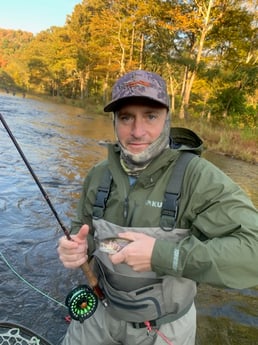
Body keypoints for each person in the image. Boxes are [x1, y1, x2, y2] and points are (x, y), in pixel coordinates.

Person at [58, 70, 258, 345]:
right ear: (114, 121)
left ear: (167, 119)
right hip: (99, 314)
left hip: (165, 328)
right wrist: (76, 247)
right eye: (126, 117)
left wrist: (164, 256)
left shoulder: (198, 178)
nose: (137, 131)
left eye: (150, 115)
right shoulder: (98, 174)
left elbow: (253, 251)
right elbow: (84, 229)